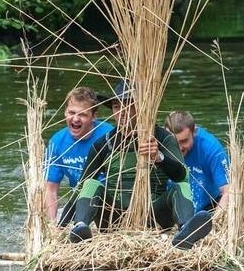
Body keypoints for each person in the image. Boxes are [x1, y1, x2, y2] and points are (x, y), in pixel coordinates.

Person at [62, 81, 212, 249]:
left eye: (129, 106)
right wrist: (61, 226)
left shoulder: (162, 138)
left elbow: (182, 176)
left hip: (154, 217)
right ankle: (80, 227)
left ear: (142, 108)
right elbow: (82, 187)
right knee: (91, 184)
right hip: (113, 219)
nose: (122, 113)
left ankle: (186, 231)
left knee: (181, 187)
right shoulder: (103, 144)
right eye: (117, 107)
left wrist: (159, 157)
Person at [44, 87, 113, 221]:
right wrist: (52, 225)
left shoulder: (110, 136)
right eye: (71, 112)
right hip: (79, 203)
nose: (75, 119)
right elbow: (50, 190)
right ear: (65, 112)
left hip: (108, 205)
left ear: (94, 117)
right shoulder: (56, 142)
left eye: (82, 114)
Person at [165, 111, 230, 212]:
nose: (179, 148)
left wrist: (217, 221)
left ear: (194, 132)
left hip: (208, 206)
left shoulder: (212, 149)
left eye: (184, 141)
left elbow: (228, 191)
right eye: (174, 142)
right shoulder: (160, 143)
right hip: (172, 205)